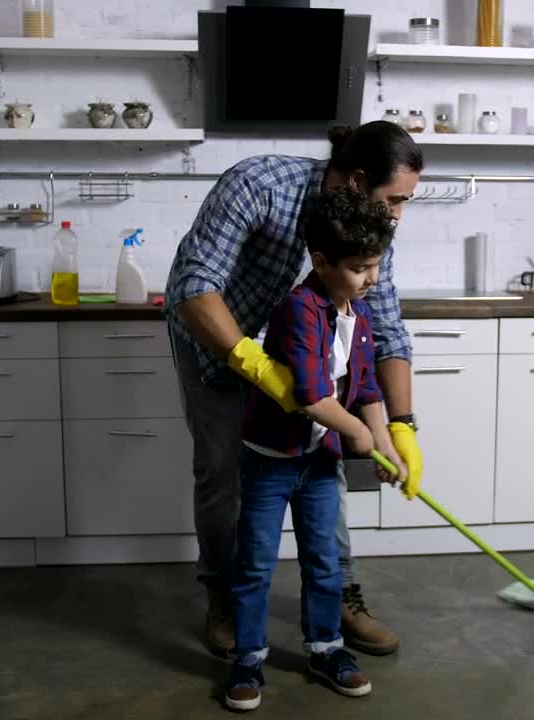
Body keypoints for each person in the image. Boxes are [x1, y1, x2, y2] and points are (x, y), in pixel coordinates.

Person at [165, 121, 425, 657]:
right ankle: (224, 595)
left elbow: (388, 326)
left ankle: (339, 596)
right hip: (215, 342)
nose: (399, 213)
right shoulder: (260, 185)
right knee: (223, 473)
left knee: (325, 471)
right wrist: (255, 365)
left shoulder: (372, 226)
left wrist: (401, 425)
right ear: (356, 180)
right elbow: (195, 285)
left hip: (309, 362)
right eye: (396, 199)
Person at [224, 188, 406, 711]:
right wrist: (357, 433)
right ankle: (248, 658)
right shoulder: (298, 310)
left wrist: (388, 444)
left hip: (320, 463)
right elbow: (310, 394)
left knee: (325, 562)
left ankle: (326, 649)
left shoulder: (360, 314)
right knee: (257, 564)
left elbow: (367, 388)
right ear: (321, 262)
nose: (371, 278)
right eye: (359, 267)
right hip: (269, 461)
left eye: (376, 265)